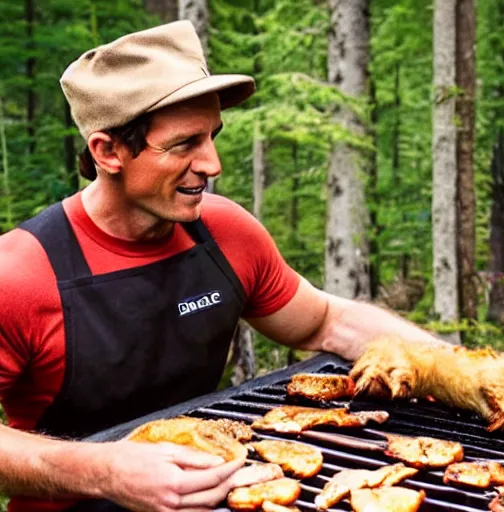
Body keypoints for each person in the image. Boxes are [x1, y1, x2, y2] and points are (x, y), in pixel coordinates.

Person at [0, 21, 441, 512]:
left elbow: (327, 321)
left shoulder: (225, 233)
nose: (213, 164)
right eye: (184, 144)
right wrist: (104, 471)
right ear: (108, 151)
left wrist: (454, 368)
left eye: (212, 136)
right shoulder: (20, 274)